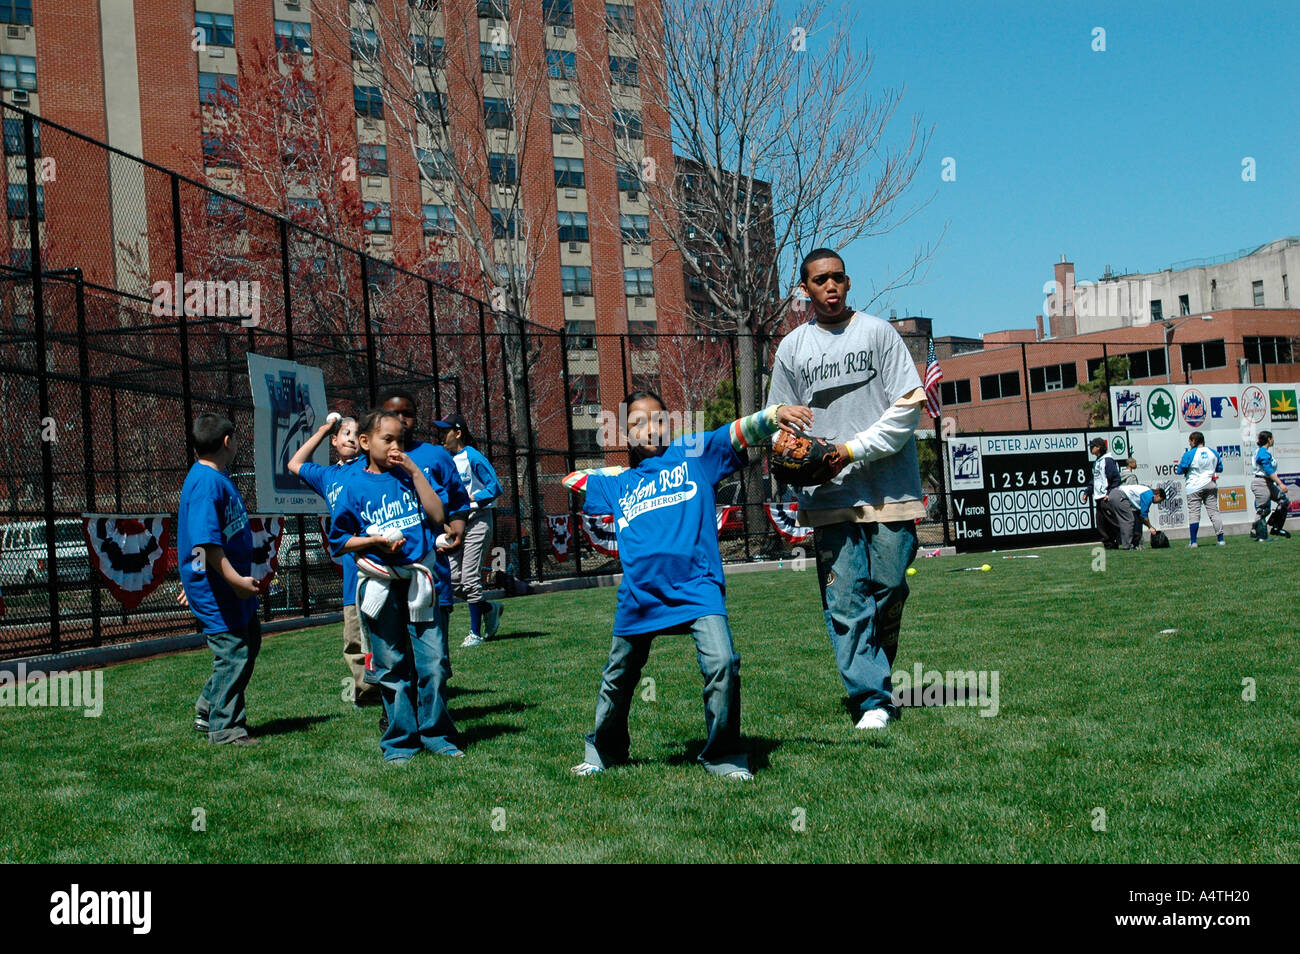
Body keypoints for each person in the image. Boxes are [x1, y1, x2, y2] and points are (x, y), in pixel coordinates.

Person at [564, 389, 814, 779]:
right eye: (636, 423)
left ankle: (723, 754)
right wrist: (610, 473)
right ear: (626, 434)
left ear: (669, 424)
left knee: (723, 662)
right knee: (618, 677)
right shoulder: (618, 484)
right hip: (640, 597)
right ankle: (604, 753)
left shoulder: (693, 454)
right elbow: (572, 480)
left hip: (698, 588)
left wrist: (774, 414)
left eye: (655, 419)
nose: (648, 428)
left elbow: (736, 432)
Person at [766, 248, 926, 731]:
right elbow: (778, 423)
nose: (830, 287)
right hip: (829, 498)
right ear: (805, 289)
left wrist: (850, 451)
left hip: (890, 488)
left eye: (837, 278)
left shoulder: (878, 333)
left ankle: (873, 672)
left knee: (891, 587)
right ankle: (872, 698)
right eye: (819, 281)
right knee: (846, 599)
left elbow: (907, 410)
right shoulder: (792, 349)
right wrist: (787, 445)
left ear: (849, 282)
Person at [328, 409, 462, 763]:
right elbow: (339, 541)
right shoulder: (353, 486)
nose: (395, 447)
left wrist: (415, 471)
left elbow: (437, 516)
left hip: (420, 581)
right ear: (365, 442)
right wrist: (374, 543)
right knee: (391, 667)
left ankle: (437, 734)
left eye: (400, 440)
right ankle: (400, 741)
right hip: (382, 586)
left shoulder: (410, 477)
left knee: (433, 664)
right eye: (387, 439)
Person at [287, 414, 382, 708]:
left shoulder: (368, 467)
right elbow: (294, 463)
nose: (351, 438)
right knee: (353, 638)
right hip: (352, 572)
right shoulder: (328, 476)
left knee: (382, 631)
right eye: (345, 433)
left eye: (357, 434)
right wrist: (324, 429)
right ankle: (367, 693)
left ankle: (394, 685)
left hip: (377, 562)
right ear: (335, 441)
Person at [178, 413, 262, 746]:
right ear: (227, 442)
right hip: (220, 588)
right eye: (237, 439)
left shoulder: (218, 478)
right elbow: (206, 542)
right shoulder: (204, 482)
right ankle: (225, 728)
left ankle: (207, 707)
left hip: (227, 586)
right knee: (233, 653)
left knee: (248, 642)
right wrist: (233, 580)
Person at [376, 388, 473, 630]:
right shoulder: (368, 463)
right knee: (395, 664)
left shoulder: (436, 455)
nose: (401, 419)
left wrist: (458, 530)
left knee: (434, 665)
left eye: (407, 414)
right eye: (392, 414)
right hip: (384, 579)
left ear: (416, 417)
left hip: (432, 577)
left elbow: (459, 501)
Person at [436, 413, 506, 648]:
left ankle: (475, 633)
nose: (440, 436)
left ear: (458, 433)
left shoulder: (473, 456)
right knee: (454, 581)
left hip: (478, 520)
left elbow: (495, 487)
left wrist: (473, 497)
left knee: (469, 579)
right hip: (457, 522)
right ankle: (489, 608)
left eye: (444, 431)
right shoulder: (445, 458)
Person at [1174, 431, 1224, 548]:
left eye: (1190, 441)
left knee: (1194, 514)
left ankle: (1193, 542)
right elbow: (1220, 468)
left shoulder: (1189, 454)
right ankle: (1221, 540)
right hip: (1210, 484)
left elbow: (1180, 470)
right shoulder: (1213, 452)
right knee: (1214, 512)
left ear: (1194, 441)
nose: (1189, 443)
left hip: (1194, 487)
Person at [1251, 430, 1290, 541]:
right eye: (1272, 438)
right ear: (1269, 439)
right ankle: (1259, 535)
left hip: (1267, 482)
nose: (1273, 440)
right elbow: (1268, 470)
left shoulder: (1264, 451)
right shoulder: (1262, 452)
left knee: (1283, 501)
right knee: (1263, 509)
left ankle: (1276, 528)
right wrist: (1280, 483)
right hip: (1261, 482)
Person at [1088, 437, 1123, 549]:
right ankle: (1109, 544)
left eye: (1092, 446)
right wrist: (1087, 491)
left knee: (1113, 521)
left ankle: (1126, 540)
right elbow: (1095, 479)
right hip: (1098, 497)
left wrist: (1109, 493)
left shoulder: (1107, 460)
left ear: (1099, 447)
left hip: (1106, 497)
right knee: (1101, 523)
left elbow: (1116, 479)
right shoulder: (1097, 462)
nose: (1091, 448)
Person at [1115, 483, 1166, 549]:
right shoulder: (1149, 496)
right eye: (1160, 500)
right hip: (1120, 495)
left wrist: (1149, 526)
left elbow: (1141, 516)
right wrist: (1150, 527)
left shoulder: (1148, 492)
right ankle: (1129, 545)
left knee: (1136, 519)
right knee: (1130, 522)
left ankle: (1134, 544)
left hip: (1119, 494)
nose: (1159, 503)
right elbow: (1144, 515)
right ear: (1158, 495)